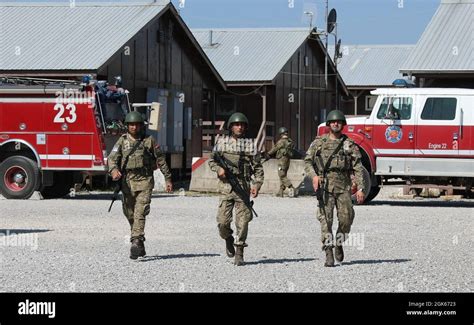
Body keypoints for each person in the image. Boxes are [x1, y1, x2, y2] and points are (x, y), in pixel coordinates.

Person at [304, 109, 365, 267]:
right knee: (326, 220)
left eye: (338, 122)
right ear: (329, 124)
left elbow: (358, 167)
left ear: (343, 124)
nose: (336, 124)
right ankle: (328, 251)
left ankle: (339, 242)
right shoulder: (319, 142)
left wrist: (361, 188)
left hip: (343, 186)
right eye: (333, 122)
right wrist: (314, 176)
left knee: (346, 219)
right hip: (325, 185)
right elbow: (307, 161)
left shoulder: (349, 144)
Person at [108, 111, 173, 259]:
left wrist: (168, 179)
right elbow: (112, 158)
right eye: (131, 124)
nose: (134, 127)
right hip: (127, 182)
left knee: (140, 211)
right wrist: (114, 170)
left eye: (137, 124)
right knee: (129, 213)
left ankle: (136, 241)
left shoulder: (148, 140)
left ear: (141, 126)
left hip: (144, 181)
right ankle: (139, 240)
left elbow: (161, 159)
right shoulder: (122, 141)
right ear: (127, 126)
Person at [208, 112, 264, 266]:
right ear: (231, 127)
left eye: (242, 125)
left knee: (243, 221)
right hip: (226, 188)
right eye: (236, 124)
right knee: (222, 223)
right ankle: (228, 238)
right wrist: (218, 169)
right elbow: (211, 160)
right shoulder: (222, 143)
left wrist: (257, 185)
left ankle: (239, 251)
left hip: (243, 188)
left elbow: (258, 168)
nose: (239, 127)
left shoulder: (250, 145)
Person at [264, 126, 296, 197]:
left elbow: (274, 149)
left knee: (281, 175)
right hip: (288, 160)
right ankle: (280, 192)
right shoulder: (290, 141)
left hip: (282, 160)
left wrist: (268, 154)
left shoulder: (281, 141)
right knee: (283, 175)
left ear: (281, 134)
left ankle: (291, 187)